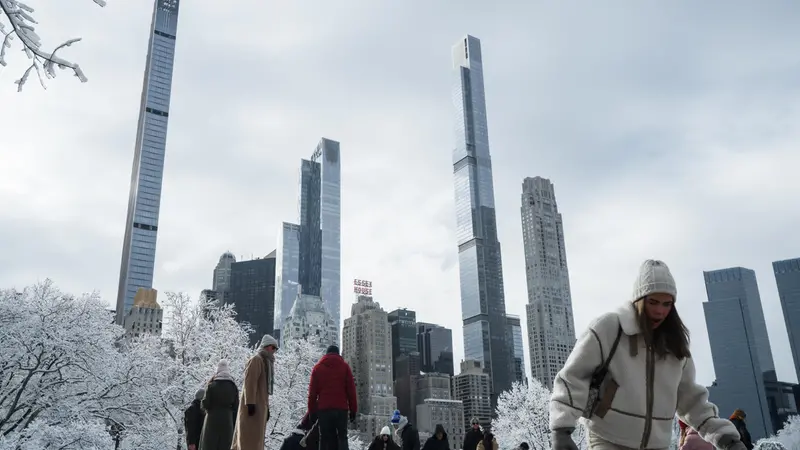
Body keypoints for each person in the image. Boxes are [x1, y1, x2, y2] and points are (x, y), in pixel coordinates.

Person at [550, 259, 748, 450]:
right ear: (639, 299)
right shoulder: (609, 328)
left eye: (667, 304)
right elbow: (574, 377)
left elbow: (691, 401)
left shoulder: (676, 346)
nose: (660, 311)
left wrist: (727, 438)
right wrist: (561, 429)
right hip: (607, 437)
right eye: (653, 302)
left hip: (657, 445)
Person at [232, 334, 279, 450]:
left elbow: (264, 390)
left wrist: (266, 408)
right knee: (248, 439)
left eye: (276, 348)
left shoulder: (266, 363)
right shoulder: (257, 360)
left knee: (256, 440)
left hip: (259, 407)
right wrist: (250, 403)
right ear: (266, 346)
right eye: (273, 347)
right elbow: (250, 382)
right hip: (252, 408)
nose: (274, 351)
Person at [308, 345, 358, 450]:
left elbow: (312, 393)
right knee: (342, 437)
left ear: (326, 354)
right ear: (338, 354)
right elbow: (351, 391)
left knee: (325, 438)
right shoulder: (345, 367)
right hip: (341, 410)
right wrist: (353, 410)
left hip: (324, 410)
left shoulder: (317, 368)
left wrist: (312, 412)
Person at [200, 359, 239, 450]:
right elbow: (236, 406)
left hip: (212, 419)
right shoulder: (233, 386)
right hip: (227, 419)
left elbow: (205, 404)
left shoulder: (211, 385)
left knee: (210, 445)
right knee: (225, 445)